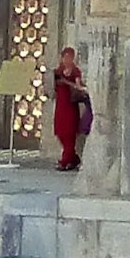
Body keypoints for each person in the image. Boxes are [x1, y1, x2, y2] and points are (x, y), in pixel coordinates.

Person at [50, 46, 92, 174]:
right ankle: (73, 159)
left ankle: (65, 160)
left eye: (70, 57)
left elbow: (79, 86)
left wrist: (68, 83)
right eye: (65, 57)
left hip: (70, 104)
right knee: (60, 132)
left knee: (69, 132)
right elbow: (53, 86)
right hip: (61, 104)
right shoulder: (58, 71)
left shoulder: (75, 71)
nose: (67, 60)